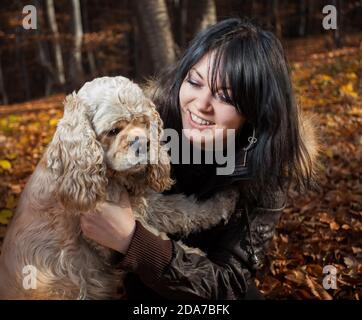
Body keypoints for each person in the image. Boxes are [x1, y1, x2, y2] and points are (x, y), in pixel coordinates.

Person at [80, 18, 317, 300]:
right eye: (194, 82)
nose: (201, 105)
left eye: (226, 97)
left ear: (254, 111)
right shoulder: (143, 128)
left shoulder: (267, 167)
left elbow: (229, 284)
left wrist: (132, 240)